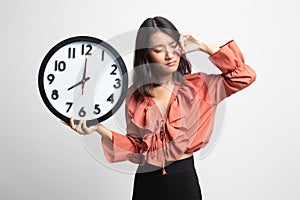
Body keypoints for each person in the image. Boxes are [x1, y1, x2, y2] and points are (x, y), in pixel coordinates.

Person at [66, 16, 256, 200]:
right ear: (146, 53)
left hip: (183, 181)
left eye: (173, 46)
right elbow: (137, 146)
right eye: (159, 49)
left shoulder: (200, 87)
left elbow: (244, 76)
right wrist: (98, 128)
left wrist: (203, 45)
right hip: (146, 183)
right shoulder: (135, 95)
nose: (169, 55)